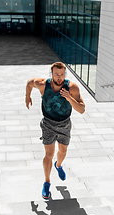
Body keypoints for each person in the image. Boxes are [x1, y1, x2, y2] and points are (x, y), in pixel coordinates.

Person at [25, 62, 85, 199]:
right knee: (49, 154)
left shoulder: (72, 87)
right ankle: (46, 183)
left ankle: (58, 166)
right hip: (48, 124)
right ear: (51, 74)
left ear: (65, 74)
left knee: (63, 151)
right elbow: (29, 83)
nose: (59, 77)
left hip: (64, 124)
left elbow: (81, 110)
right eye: (57, 74)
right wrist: (27, 96)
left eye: (62, 74)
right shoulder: (42, 84)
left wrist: (68, 98)